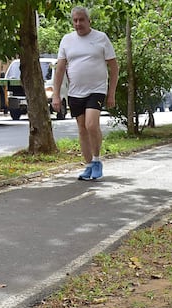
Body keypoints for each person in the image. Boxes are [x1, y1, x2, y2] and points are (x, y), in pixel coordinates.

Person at [52, 6, 118, 181]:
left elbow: (113, 67)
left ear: (89, 21)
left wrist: (111, 93)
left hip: (96, 90)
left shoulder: (101, 38)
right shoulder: (67, 40)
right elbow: (59, 69)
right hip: (75, 92)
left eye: (81, 20)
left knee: (91, 125)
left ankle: (97, 161)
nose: (78, 23)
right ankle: (88, 165)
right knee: (82, 129)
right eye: (75, 20)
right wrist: (56, 94)